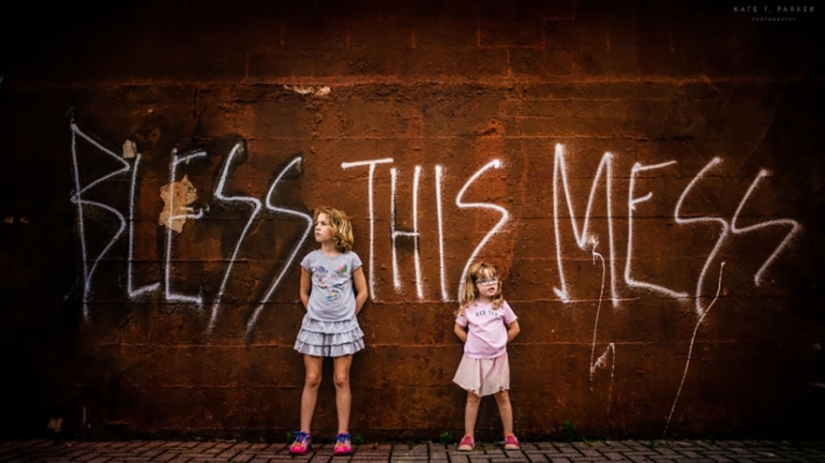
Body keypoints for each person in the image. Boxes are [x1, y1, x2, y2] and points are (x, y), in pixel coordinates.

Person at [289, 207, 368, 456]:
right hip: (314, 325)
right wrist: (314, 312)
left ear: (337, 230)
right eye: (317, 223)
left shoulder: (351, 259)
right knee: (312, 379)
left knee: (341, 379)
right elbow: (303, 292)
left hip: (344, 327)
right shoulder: (310, 260)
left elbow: (363, 292)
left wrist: (348, 315)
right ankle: (304, 435)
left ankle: (343, 435)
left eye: (324, 223)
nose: (318, 227)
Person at [452, 262, 521, 451]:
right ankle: (468, 436)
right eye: (484, 280)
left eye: (493, 278)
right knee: (473, 396)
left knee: (502, 395)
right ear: (474, 285)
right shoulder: (469, 307)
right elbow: (458, 328)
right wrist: (470, 341)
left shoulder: (501, 305)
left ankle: (509, 435)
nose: (490, 283)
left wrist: (501, 341)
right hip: (475, 358)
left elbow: (515, 327)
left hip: (498, 357)